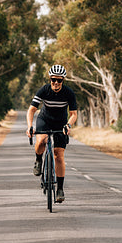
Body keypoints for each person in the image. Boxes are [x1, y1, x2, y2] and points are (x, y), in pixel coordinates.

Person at [26, 65, 77, 203]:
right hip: (45, 119)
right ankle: (38, 159)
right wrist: (30, 126)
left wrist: (68, 125)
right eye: (53, 79)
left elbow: (73, 114)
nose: (56, 83)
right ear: (50, 79)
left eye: (59, 80)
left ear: (63, 81)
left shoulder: (68, 93)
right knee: (41, 140)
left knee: (59, 155)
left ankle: (60, 189)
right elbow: (31, 110)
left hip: (61, 123)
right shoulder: (44, 90)